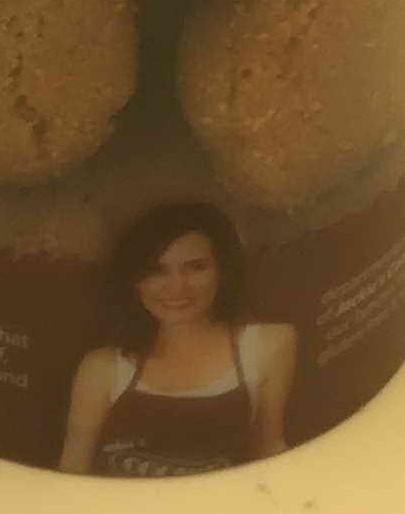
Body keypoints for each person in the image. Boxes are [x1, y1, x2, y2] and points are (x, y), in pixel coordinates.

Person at [58, 201, 295, 477]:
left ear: (222, 272)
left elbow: (269, 447)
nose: (177, 287)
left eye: (196, 268)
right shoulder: (101, 367)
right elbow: (72, 470)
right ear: (135, 282)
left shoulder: (270, 345)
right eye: (157, 271)